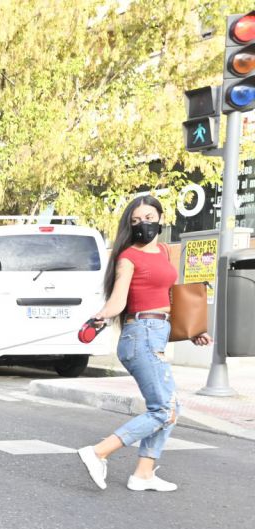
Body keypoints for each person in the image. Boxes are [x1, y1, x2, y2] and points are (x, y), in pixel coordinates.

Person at [77, 195, 212, 493]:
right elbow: (118, 302)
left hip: (158, 331)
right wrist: (97, 318)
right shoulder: (128, 257)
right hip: (141, 335)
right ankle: (99, 452)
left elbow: (169, 296)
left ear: (161, 219)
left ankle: (143, 473)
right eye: (136, 221)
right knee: (163, 410)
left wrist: (192, 329)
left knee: (171, 408)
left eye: (149, 218)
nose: (143, 225)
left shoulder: (164, 251)